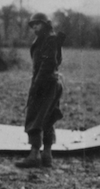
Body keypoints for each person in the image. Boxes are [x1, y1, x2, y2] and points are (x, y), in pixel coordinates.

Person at [16, 12, 64, 169]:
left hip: (45, 83)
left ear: (45, 24)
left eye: (37, 24)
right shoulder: (49, 39)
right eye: (33, 25)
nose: (34, 27)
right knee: (48, 118)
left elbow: (48, 64)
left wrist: (37, 84)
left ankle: (34, 155)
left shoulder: (49, 40)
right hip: (51, 82)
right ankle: (47, 156)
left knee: (35, 117)